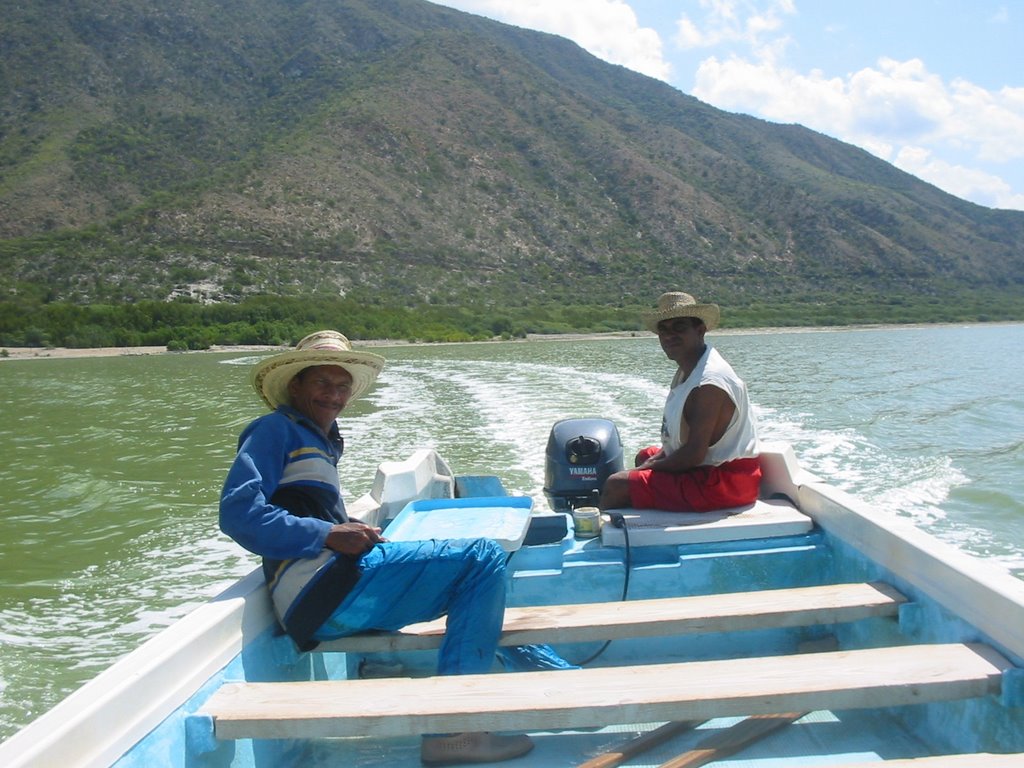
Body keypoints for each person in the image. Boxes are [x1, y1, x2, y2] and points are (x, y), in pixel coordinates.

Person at [219, 330, 567, 766]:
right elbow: (237, 514)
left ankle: (556, 683)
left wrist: (340, 529)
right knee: (482, 559)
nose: (334, 394)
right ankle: (454, 731)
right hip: (321, 594)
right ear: (296, 386)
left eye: (342, 385)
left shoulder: (321, 438)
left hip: (335, 591)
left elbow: (303, 510)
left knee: (477, 583)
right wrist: (326, 534)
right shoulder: (274, 430)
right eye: (322, 384)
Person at [599, 292, 761, 512]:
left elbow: (693, 454)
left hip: (725, 483)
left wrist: (641, 472)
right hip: (708, 469)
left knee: (616, 485)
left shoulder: (709, 383)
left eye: (679, 327)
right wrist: (647, 465)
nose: (669, 336)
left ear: (700, 330)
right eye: (663, 330)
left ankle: (598, 533)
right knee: (644, 455)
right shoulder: (690, 369)